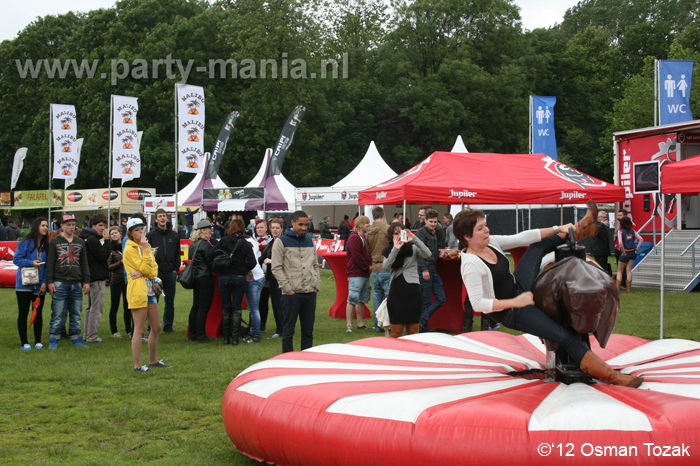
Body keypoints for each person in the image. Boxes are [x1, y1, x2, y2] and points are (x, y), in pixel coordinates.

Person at [453, 201, 643, 388]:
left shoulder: (491, 242)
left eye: (486, 225)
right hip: (511, 310)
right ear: (467, 236)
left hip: (519, 286)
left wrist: (557, 228)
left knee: (537, 246)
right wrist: (516, 301)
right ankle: (611, 376)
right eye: (481, 228)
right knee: (564, 337)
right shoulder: (470, 264)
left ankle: (580, 228)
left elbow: (523, 237)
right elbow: (478, 304)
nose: (487, 230)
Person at [123, 217, 170, 373]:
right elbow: (144, 267)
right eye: (136, 230)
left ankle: (153, 360)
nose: (140, 232)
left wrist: (145, 269)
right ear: (130, 233)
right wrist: (144, 253)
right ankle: (137, 365)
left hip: (149, 288)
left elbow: (152, 269)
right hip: (137, 290)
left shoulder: (146, 246)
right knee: (139, 328)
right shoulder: (130, 248)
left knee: (156, 327)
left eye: (142, 229)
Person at [272, 210, 320, 353]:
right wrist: (288, 289)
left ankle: (306, 362)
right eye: (300, 224)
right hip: (291, 294)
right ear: (292, 223)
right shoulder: (281, 242)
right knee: (288, 331)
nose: (303, 228)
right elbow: (276, 268)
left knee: (308, 332)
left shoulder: (309, 240)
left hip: (310, 293)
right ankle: (287, 362)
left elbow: (315, 265)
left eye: (306, 225)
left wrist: (316, 285)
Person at [207, 218, 256, 345]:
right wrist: (243, 268)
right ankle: (235, 338)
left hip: (224, 277)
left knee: (226, 307)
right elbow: (252, 262)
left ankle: (226, 337)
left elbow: (211, 254)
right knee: (236, 307)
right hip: (239, 277)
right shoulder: (245, 244)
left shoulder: (224, 241)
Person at [47, 214, 91, 349]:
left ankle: (76, 337)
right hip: (60, 281)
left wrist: (86, 281)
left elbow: (84, 262)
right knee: (58, 312)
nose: (71, 227)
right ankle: (54, 338)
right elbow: (50, 263)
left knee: (76, 312)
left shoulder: (80, 241)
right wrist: (50, 281)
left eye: (73, 224)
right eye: (68, 224)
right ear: (62, 226)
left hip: (76, 281)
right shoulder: (55, 241)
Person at [382, 222, 431, 337]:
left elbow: (428, 253)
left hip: (413, 292)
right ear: (391, 236)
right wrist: (395, 249)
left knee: (414, 332)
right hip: (396, 293)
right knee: (396, 332)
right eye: (395, 234)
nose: (398, 236)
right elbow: (386, 266)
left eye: (401, 233)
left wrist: (414, 238)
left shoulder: (413, 248)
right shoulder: (389, 250)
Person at [14, 217, 49, 350]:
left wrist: (45, 282)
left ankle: (38, 341)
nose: (45, 228)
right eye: (43, 225)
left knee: (38, 312)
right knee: (23, 312)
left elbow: (47, 266)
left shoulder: (46, 245)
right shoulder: (25, 243)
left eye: (46, 225)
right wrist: (31, 263)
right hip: (24, 283)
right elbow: (17, 260)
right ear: (36, 227)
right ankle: (24, 342)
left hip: (39, 284)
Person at [147, 208, 181, 333]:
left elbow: (178, 254)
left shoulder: (174, 235)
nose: (162, 218)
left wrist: (175, 269)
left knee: (170, 302)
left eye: (164, 216)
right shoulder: (150, 235)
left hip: (170, 272)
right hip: (156, 273)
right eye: (160, 216)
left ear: (167, 218)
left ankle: (168, 327)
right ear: (156, 219)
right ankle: (152, 327)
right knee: (153, 301)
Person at [80, 213, 112, 343]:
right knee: (96, 307)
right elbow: (102, 256)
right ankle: (91, 335)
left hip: (91, 276)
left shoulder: (86, 237)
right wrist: (108, 241)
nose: (102, 228)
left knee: (90, 307)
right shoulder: (92, 239)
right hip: (96, 276)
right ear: (92, 225)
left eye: (103, 226)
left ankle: (87, 334)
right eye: (100, 225)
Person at [415, 208, 446, 332]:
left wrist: (440, 254)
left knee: (441, 298)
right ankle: (424, 329)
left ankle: (421, 321)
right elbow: (418, 252)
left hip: (434, 270)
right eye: (431, 221)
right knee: (426, 302)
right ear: (426, 221)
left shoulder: (435, 232)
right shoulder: (421, 233)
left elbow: (434, 251)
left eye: (435, 222)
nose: (433, 224)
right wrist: (424, 269)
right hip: (426, 271)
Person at [187, 219, 217, 343]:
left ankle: (193, 333)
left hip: (196, 277)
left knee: (196, 306)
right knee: (203, 308)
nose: (211, 230)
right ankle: (201, 335)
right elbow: (210, 262)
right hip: (205, 277)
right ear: (204, 230)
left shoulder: (193, 244)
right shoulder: (205, 244)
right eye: (209, 228)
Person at [366, 206, 391, 333]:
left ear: (373, 217)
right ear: (384, 216)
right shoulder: (387, 229)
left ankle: (377, 325)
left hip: (375, 267)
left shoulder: (369, 230)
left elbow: (368, 249)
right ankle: (388, 324)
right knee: (389, 298)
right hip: (386, 266)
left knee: (376, 297)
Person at [345, 215, 372, 332]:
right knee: (352, 298)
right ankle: (349, 325)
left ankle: (360, 323)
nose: (369, 225)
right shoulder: (354, 237)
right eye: (367, 223)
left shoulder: (362, 237)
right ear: (361, 225)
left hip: (363, 273)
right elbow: (357, 256)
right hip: (356, 273)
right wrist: (367, 267)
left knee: (361, 300)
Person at [260, 218, 285, 339]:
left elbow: (287, 260)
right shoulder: (270, 243)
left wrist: (271, 261)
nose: (275, 230)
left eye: (277, 228)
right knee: (275, 304)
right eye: (273, 228)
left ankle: (281, 330)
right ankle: (280, 328)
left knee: (278, 304)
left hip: (280, 277)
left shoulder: (284, 242)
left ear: (281, 229)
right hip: (271, 277)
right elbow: (262, 258)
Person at [244, 224, 268, 343]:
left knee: (254, 308)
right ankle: (254, 331)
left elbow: (250, 263)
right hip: (258, 277)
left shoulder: (247, 244)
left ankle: (256, 333)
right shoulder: (250, 243)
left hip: (254, 278)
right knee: (254, 308)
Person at [107, 226, 130, 339]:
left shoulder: (126, 246)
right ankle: (114, 330)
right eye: (112, 234)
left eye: (116, 233)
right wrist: (120, 262)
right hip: (116, 279)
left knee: (128, 305)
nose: (114, 235)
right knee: (114, 305)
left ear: (121, 234)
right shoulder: (110, 249)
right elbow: (109, 267)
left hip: (127, 280)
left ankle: (129, 329)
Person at [251, 220, 272, 332]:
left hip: (266, 275)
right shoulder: (251, 241)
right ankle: (253, 324)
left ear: (266, 228)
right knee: (253, 302)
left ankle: (262, 324)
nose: (259, 229)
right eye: (258, 227)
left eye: (261, 227)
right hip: (254, 276)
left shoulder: (271, 241)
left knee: (264, 301)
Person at [616, 217, 643, 293]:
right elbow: (641, 239)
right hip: (632, 252)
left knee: (620, 271)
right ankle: (628, 289)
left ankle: (617, 289)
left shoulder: (620, 231)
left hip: (625, 252)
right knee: (629, 270)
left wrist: (623, 251)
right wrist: (636, 249)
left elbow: (620, 242)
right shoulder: (633, 231)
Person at [590, 211, 612, 275]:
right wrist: (603, 224)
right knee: (600, 267)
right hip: (598, 250)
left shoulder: (602, 225)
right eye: (604, 217)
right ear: (599, 217)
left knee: (603, 266)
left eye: (606, 217)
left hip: (604, 250)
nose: (606, 219)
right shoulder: (597, 224)